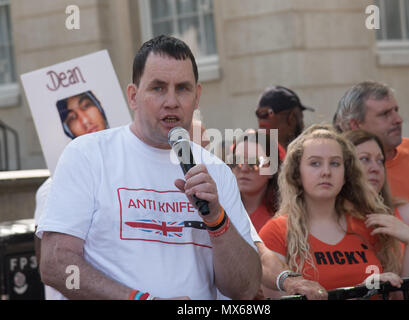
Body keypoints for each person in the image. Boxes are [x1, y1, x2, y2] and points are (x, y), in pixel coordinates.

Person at [36, 35, 261, 300]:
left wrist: (216, 220)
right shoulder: (88, 155)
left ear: (197, 96)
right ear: (133, 96)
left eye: (183, 88)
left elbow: (245, 289)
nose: (171, 101)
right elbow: (56, 264)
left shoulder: (217, 171)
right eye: (158, 88)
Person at [259, 124, 409, 299]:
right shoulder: (276, 232)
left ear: (346, 174)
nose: (326, 172)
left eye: (335, 163)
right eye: (315, 163)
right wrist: (361, 291)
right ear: (297, 173)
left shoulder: (369, 225)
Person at [333, 81, 409, 221]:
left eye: (396, 111)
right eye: (384, 114)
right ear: (356, 125)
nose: (398, 120)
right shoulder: (342, 171)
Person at [34, 90, 110, 299]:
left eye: (86, 106)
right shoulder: (54, 187)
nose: (85, 121)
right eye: (72, 118)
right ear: (67, 130)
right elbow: (50, 264)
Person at [343, 129, 409, 274]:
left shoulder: (399, 211)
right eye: (364, 159)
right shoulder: (327, 216)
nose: (375, 168)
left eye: (380, 161)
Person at [229, 130, 280, 232]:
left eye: (255, 162)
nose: (244, 169)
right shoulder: (219, 210)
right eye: (237, 160)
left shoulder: (283, 218)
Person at [255, 85, 314, 158]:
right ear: (291, 119)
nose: (261, 121)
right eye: (301, 116)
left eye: (264, 114)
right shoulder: (311, 158)